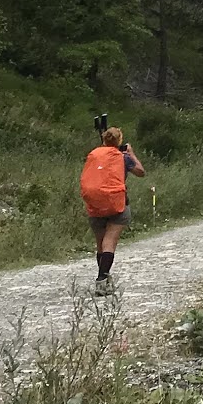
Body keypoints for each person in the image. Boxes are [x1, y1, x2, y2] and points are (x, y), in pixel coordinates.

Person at [79, 124, 146, 295]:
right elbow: (140, 172)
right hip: (118, 205)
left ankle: (104, 277)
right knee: (110, 243)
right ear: (119, 141)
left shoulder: (95, 155)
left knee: (101, 244)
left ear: (103, 140)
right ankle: (102, 280)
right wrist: (131, 153)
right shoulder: (122, 157)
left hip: (95, 204)